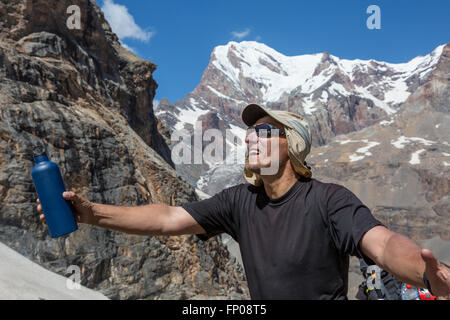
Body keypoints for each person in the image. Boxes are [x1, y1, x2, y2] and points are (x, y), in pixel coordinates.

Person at [37, 103, 450, 300]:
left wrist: (427, 273)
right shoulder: (239, 202)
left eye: (265, 131)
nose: (251, 137)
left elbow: (382, 243)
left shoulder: (328, 200)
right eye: (250, 132)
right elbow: (166, 218)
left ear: (291, 147)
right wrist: (91, 214)